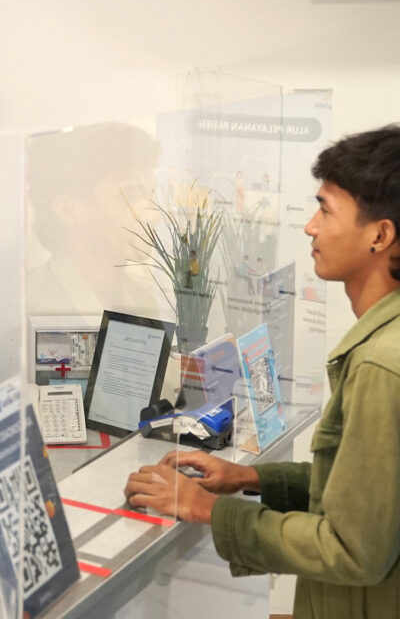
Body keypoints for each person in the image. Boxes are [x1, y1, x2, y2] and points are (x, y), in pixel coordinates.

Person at [124, 125, 400, 619]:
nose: (310, 227)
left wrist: (205, 509)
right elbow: (369, 491)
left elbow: (352, 548)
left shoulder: (382, 363)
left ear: (380, 235)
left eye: (326, 210)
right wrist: (248, 477)